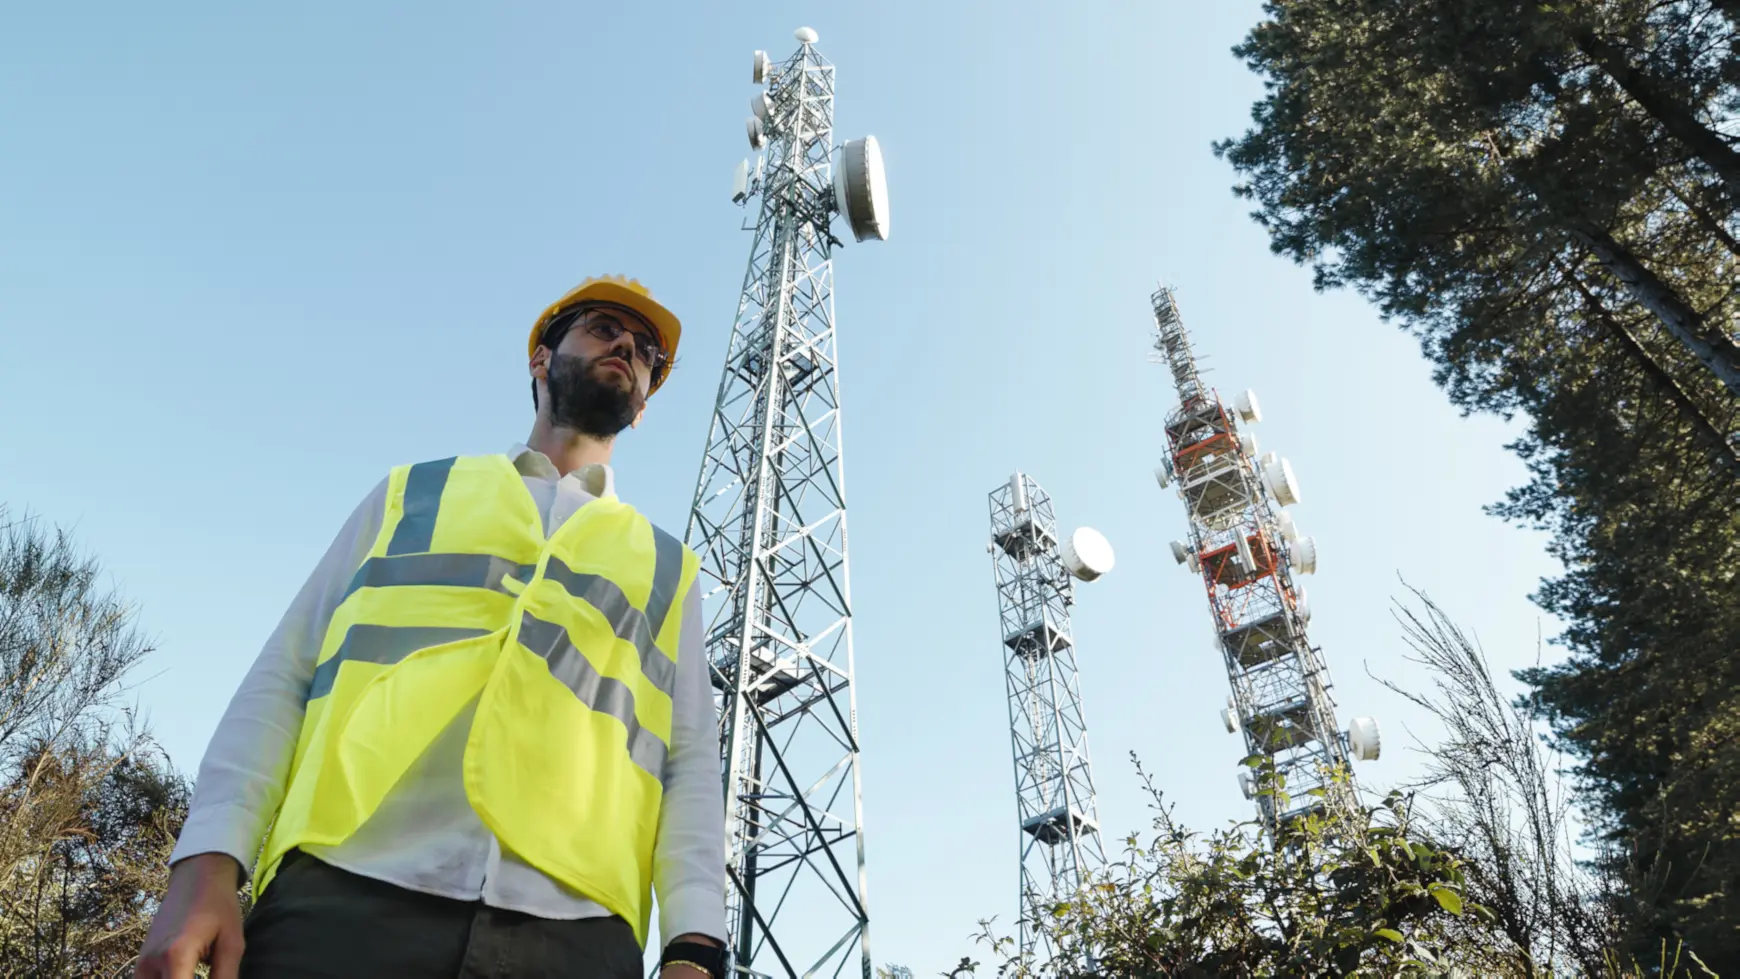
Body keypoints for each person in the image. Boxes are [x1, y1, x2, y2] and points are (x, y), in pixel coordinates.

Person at [138, 276, 729, 979]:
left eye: (648, 356)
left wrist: (694, 945)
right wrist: (206, 859)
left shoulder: (669, 566)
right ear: (540, 359)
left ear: (641, 407)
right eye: (605, 328)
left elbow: (688, 760)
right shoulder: (410, 493)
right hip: (342, 895)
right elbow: (285, 674)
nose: (629, 348)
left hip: (576, 936)